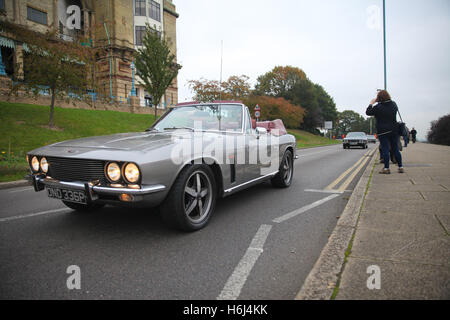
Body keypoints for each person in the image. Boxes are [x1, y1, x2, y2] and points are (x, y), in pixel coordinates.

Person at [366, 90, 404, 174]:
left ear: (379, 98)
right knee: (395, 149)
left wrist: (371, 103)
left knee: (385, 149)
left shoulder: (378, 107)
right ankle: (400, 167)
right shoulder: (394, 104)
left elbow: (368, 112)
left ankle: (386, 168)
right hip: (394, 130)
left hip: (383, 131)